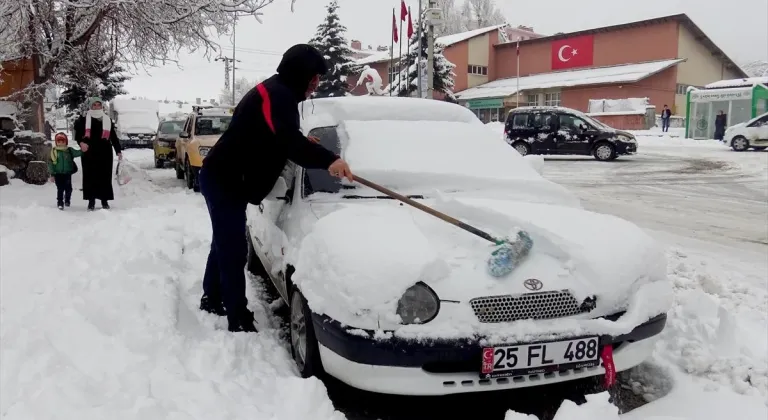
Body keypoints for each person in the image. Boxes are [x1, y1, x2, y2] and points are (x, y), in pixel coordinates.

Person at [198, 44, 354, 333]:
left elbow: (276, 136)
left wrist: (307, 145)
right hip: (224, 178)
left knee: (223, 240)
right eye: (313, 78)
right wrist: (329, 159)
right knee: (232, 247)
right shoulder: (276, 95)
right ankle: (236, 316)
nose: (316, 84)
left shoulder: (279, 93)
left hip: (230, 177)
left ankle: (212, 296)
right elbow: (287, 141)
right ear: (300, 73)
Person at [73, 97, 123, 211]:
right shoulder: (84, 120)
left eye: (98, 105)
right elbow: (78, 135)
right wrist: (81, 143)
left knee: (104, 176)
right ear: (91, 106)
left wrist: (118, 151)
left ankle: (104, 200)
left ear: (102, 106)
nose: (96, 107)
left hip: (104, 152)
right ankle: (91, 201)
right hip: (89, 151)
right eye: (94, 105)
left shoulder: (107, 120)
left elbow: (113, 137)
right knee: (90, 176)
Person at [48, 132, 83, 210]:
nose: (60, 143)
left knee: (68, 189)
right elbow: (50, 163)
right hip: (58, 173)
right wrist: (52, 174)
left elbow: (78, 153)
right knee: (60, 188)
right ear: (56, 142)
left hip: (67, 173)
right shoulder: (54, 152)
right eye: (59, 141)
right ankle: (60, 202)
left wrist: (83, 149)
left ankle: (67, 200)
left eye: (62, 141)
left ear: (65, 142)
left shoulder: (69, 150)